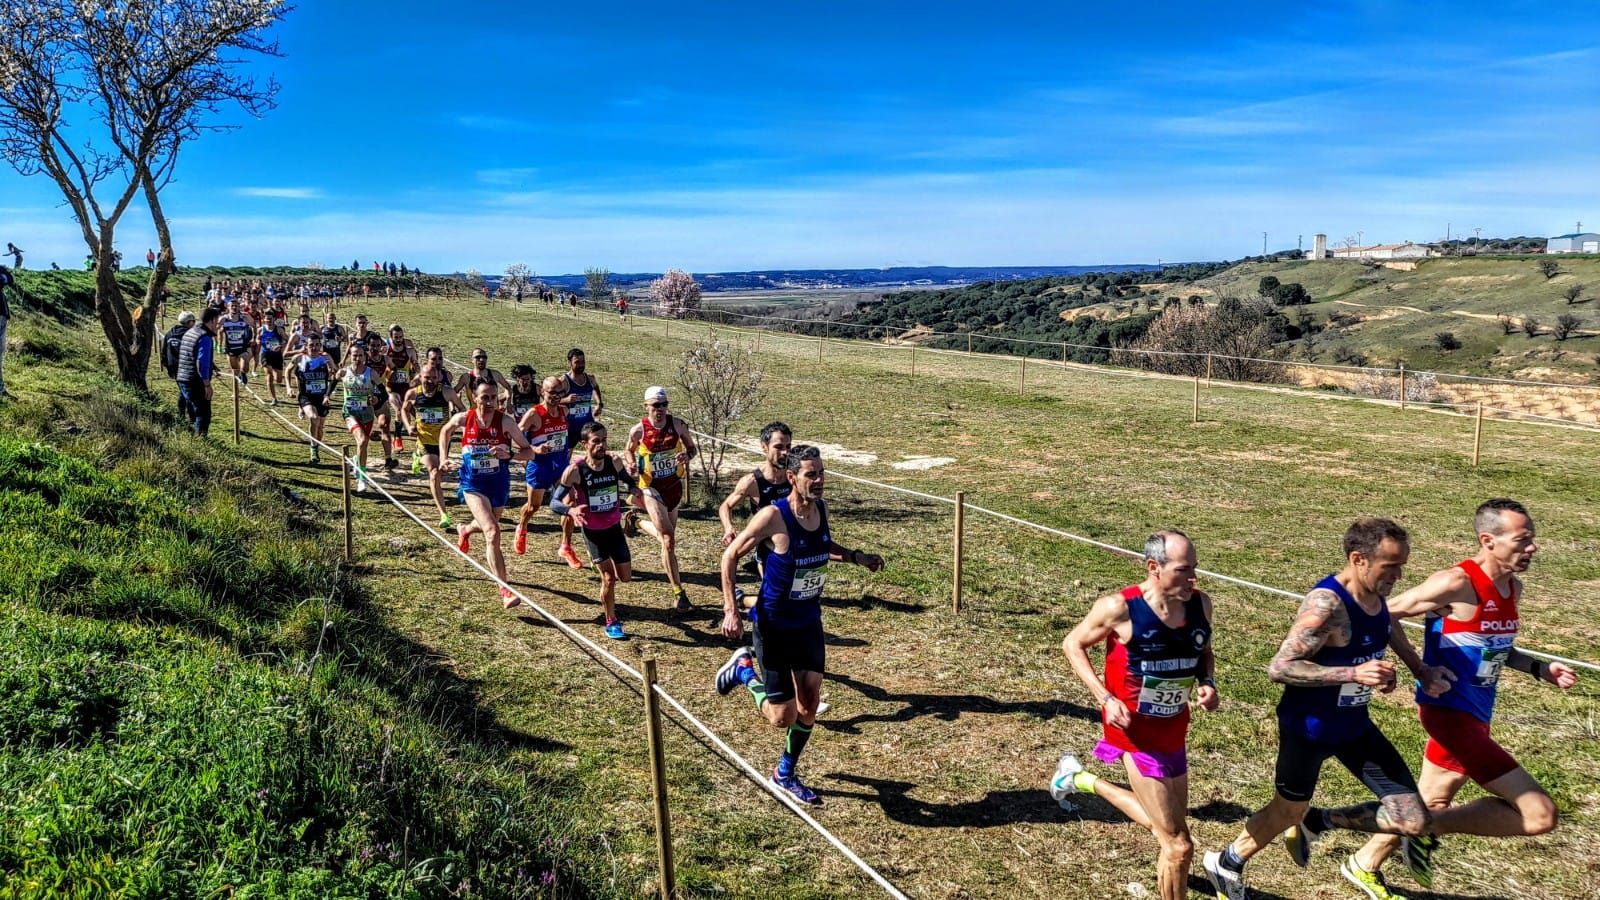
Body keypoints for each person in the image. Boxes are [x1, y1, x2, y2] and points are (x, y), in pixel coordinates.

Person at [1203, 518, 1450, 900]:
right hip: (1309, 730)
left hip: (1354, 728)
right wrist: (1354, 671)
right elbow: (1280, 668)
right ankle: (1227, 861)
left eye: (1402, 565)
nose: (1398, 576)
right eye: (1391, 566)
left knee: (1413, 818)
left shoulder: (1375, 592)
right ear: (1359, 559)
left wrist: (1418, 669)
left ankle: (1321, 820)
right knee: (1286, 810)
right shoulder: (1327, 604)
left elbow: (1386, 625)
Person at [1344, 499, 1575, 898]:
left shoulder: (1511, 587)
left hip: (1478, 712)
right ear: (1489, 540)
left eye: (1533, 540)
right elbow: (1379, 613)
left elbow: (1496, 648)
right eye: (1523, 540)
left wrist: (1540, 669)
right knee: (1540, 815)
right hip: (1449, 714)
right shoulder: (1455, 583)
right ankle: (1333, 821)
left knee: (1432, 797)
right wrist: (1412, 668)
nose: (1532, 548)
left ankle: (1362, 863)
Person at [714, 444, 885, 805]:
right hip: (773, 625)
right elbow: (729, 556)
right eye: (811, 474)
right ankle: (744, 671)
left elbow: (823, 545)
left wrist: (856, 557)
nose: (819, 480)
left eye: (821, 472)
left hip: (808, 622)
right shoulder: (772, 517)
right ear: (792, 478)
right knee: (782, 717)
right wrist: (731, 609)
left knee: (809, 705)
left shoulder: (820, 509)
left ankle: (784, 773)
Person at [1053, 531, 1217, 900]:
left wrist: (1207, 681)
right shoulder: (1119, 608)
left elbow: (1204, 650)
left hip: (1174, 730)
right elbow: (1072, 644)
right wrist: (1107, 698)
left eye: (1194, 568)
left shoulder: (1201, 604)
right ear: (1153, 568)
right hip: (1136, 735)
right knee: (1179, 845)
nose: (1193, 579)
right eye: (1183, 570)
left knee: (1168, 831)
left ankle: (1080, 778)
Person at [439, 381, 536, 608]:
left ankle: (465, 529)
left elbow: (529, 452)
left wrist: (509, 454)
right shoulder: (466, 418)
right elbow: (446, 430)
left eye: (493, 397)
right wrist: (443, 457)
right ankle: (505, 589)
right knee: (492, 532)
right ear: (475, 397)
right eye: (485, 397)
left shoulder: (505, 422)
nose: (490, 402)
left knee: (488, 523)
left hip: (498, 482)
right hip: (472, 483)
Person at [560, 422, 645, 639]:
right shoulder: (575, 471)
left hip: (614, 528)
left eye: (604, 440)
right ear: (584, 444)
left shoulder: (613, 461)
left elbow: (625, 478)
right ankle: (611, 621)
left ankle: (627, 524)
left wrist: (632, 487)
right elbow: (553, 502)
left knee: (625, 577)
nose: (601, 445)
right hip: (593, 532)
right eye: (596, 441)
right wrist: (570, 511)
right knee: (609, 578)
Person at [624, 386, 699, 613]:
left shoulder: (677, 425)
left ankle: (636, 522)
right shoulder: (639, 430)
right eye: (656, 405)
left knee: (668, 538)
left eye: (664, 405)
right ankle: (679, 593)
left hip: (673, 488)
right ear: (646, 406)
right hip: (651, 488)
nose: (661, 410)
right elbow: (628, 451)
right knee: (668, 540)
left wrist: (687, 455)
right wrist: (631, 464)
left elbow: (692, 448)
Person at [718, 421, 795, 601]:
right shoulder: (752, 482)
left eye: (788, 446)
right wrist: (729, 528)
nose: (785, 452)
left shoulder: (793, 476)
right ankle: (738, 598)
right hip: (764, 540)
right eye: (778, 447)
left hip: (791, 540)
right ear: (764, 448)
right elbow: (725, 506)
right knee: (779, 600)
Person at [514, 375, 570, 557]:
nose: (555, 397)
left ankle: (566, 546)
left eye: (559, 393)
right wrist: (534, 449)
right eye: (552, 393)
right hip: (539, 467)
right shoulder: (534, 414)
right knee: (533, 506)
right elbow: (515, 439)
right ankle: (522, 526)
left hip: (560, 465)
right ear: (542, 392)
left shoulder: (564, 412)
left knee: (571, 503)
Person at [401, 364, 463, 526]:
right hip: (424, 441)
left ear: (439, 378)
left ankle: (417, 458)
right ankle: (444, 515)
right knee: (434, 473)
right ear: (420, 377)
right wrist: (408, 426)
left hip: (443, 441)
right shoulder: (414, 394)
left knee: (441, 472)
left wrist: (456, 424)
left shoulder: (446, 392)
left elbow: (463, 410)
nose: (430, 381)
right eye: (427, 377)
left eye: (434, 378)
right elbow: (404, 410)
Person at [336, 344, 383, 492]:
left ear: (365, 356)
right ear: (350, 356)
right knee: (362, 440)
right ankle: (362, 478)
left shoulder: (372, 373)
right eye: (354, 355)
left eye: (360, 355)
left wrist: (376, 400)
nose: (358, 358)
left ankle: (357, 460)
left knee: (362, 444)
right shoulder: (344, 372)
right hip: (349, 413)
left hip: (367, 414)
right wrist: (326, 396)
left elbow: (384, 393)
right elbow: (331, 384)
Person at [175, 307, 221, 436]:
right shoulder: (205, 337)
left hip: (182, 376)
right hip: (195, 380)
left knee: (193, 411)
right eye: (217, 322)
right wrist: (206, 384)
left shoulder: (191, 332)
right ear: (212, 320)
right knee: (203, 413)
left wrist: (212, 365)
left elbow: (191, 354)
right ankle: (201, 443)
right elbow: (200, 362)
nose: (217, 325)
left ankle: (191, 438)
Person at [293, 338, 335, 464]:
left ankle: (316, 446)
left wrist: (331, 368)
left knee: (320, 427)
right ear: (306, 346)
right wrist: (289, 387)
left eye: (317, 345)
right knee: (314, 418)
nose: (315, 347)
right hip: (306, 396)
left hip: (322, 397)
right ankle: (313, 448)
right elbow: (288, 370)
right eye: (311, 345)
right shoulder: (300, 358)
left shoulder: (325, 357)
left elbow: (334, 374)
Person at [383, 324, 418, 449]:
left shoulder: (409, 351)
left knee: (415, 411)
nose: (399, 340)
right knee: (398, 410)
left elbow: (416, 367)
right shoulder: (386, 351)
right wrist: (387, 373)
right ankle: (398, 438)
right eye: (396, 337)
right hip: (391, 387)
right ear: (391, 337)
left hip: (406, 386)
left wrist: (417, 373)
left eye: (401, 337)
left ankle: (421, 432)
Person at [161, 310, 196, 416]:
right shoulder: (189, 335)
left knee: (183, 390)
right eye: (193, 321)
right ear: (189, 322)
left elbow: (164, 352)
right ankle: (190, 416)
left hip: (174, 368)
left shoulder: (169, 333)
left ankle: (181, 413)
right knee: (189, 393)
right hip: (186, 368)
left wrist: (167, 366)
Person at [257, 312, 288, 406]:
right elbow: (257, 339)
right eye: (267, 319)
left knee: (278, 380)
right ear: (264, 320)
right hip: (265, 354)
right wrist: (258, 341)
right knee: (269, 376)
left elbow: (287, 339)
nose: (269, 321)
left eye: (270, 319)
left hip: (277, 355)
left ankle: (275, 372)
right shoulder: (261, 329)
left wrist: (280, 345)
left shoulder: (279, 330)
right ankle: (274, 398)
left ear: (274, 319)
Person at [219, 301, 254, 383]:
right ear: (228, 307)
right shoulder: (224, 319)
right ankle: (235, 391)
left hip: (242, 347)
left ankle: (243, 373)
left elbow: (253, 325)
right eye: (232, 306)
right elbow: (216, 329)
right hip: (230, 348)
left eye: (236, 306)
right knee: (235, 369)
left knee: (245, 368)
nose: (234, 307)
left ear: (239, 307)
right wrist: (218, 342)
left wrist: (254, 337)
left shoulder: (244, 318)